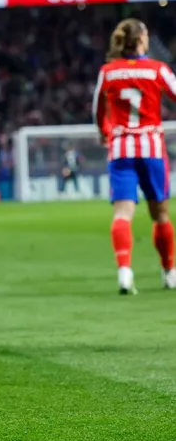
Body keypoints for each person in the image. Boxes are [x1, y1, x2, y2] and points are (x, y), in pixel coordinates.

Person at [92, 17, 176, 294]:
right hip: (151, 148)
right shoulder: (157, 70)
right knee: (160, 214)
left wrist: (106, 132)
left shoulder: (108, 72)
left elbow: (97, 111)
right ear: (140, 40)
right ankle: (169, 272)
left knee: (122, 213)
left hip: (121, 150)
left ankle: (125, 273)